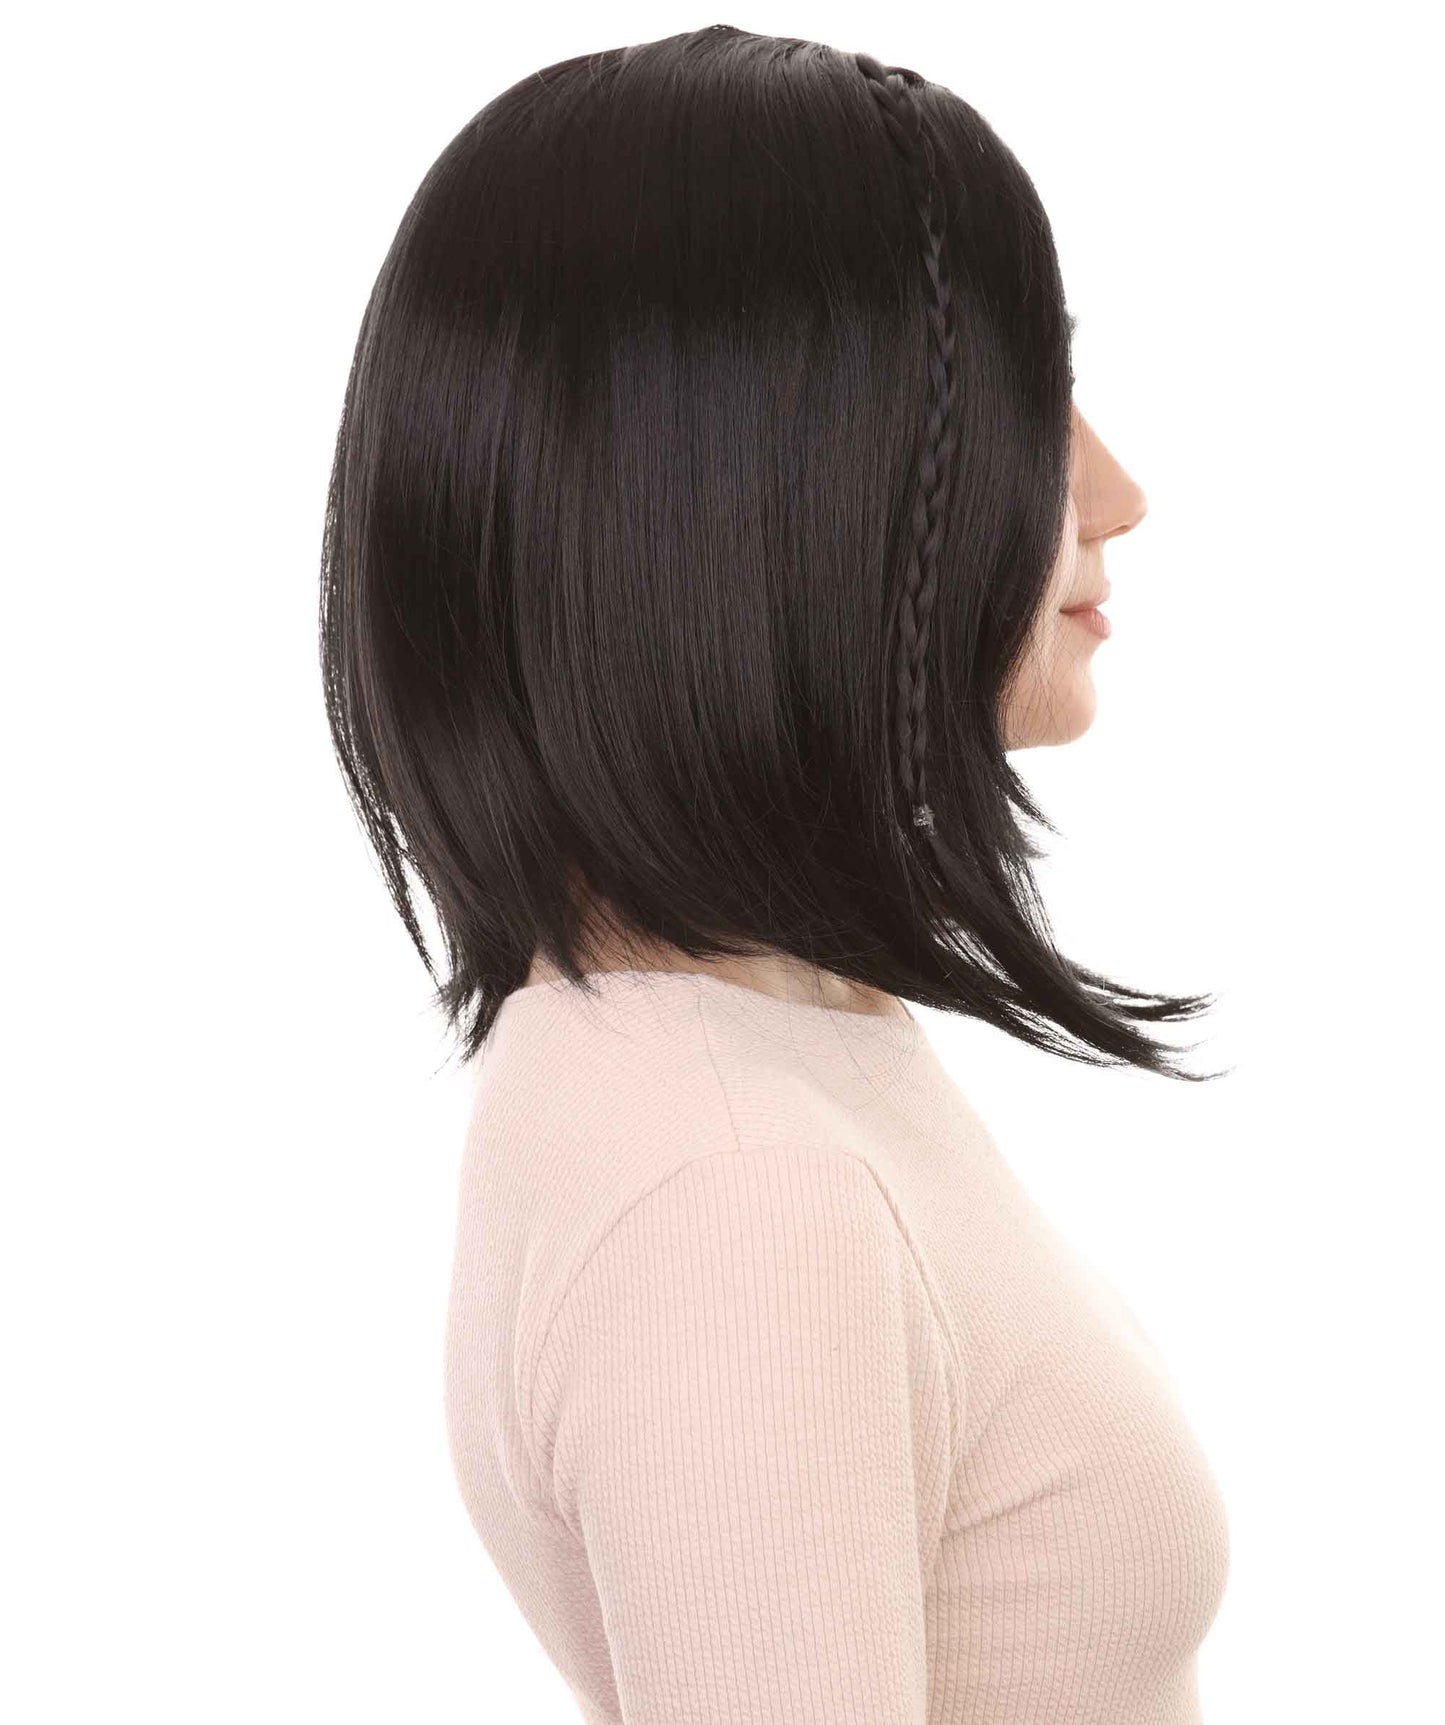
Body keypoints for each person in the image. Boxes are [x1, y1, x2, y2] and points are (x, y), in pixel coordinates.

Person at [320, 25, 1230, 1723]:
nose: (1115, 491)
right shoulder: (739, 1189)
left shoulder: (743, 1055)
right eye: (1020, 403)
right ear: (775, 484)